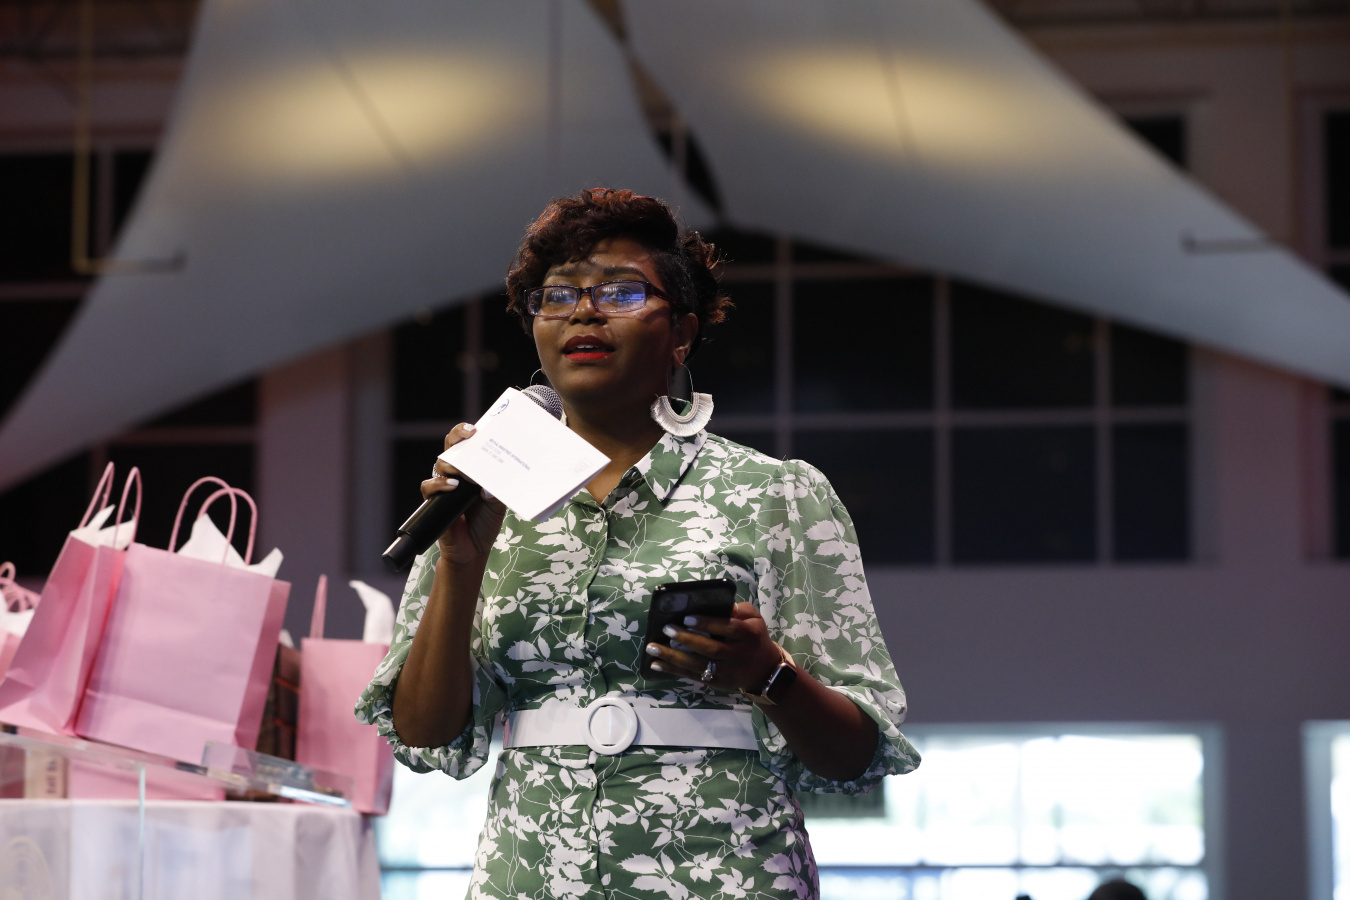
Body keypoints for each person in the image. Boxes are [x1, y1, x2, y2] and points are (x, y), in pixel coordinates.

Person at [356, 188, 919, 899]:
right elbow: (424, 729)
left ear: (681, 332)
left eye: (621, 292)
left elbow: (856, 755)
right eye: (558, 295)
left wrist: (766, 672)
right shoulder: (485, 490)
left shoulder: (776, 493)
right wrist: (461, 564)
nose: (584, 311)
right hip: (530, 880)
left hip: (725, 874)